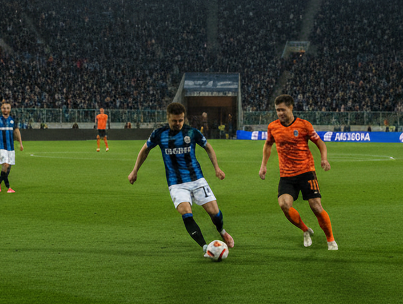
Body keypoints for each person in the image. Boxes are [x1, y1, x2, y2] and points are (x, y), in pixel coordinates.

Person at [128, 102, 234, 258]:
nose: (177, 124)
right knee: (186, 213)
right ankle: (205, 247)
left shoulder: (191, 132)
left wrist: (217, 168)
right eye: (174, 121)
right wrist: (135, 170)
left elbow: (208, 147)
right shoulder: (159, 133)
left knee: (214, 213)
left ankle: (222, 231)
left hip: (197, 179)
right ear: (168, 118)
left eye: (180, 120)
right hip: (176, 183)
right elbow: (145, 150)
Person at [259, 94, 337, 250]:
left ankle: (330, 239)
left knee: (316, 207)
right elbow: (268, 144)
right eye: (277, 110)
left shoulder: (304, 125)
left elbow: (320, 143)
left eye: (282, 110)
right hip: (287, 175)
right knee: (284, 205)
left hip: (306, 172)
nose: (280, 113)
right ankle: (305, 230)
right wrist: (263, 165)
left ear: (291, 107)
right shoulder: (273, 127)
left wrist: (324, 159)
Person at [0, 101, 23, 193]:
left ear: (10, 109)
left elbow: (16, 131)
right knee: (6, 165)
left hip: (11, 146)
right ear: (1, 109)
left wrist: (20, 143)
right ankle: (8, 187)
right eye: (4, 108)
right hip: (1, 146)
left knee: (9, 167)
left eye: (7, 108)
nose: (6, 110)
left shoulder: (13, 119)